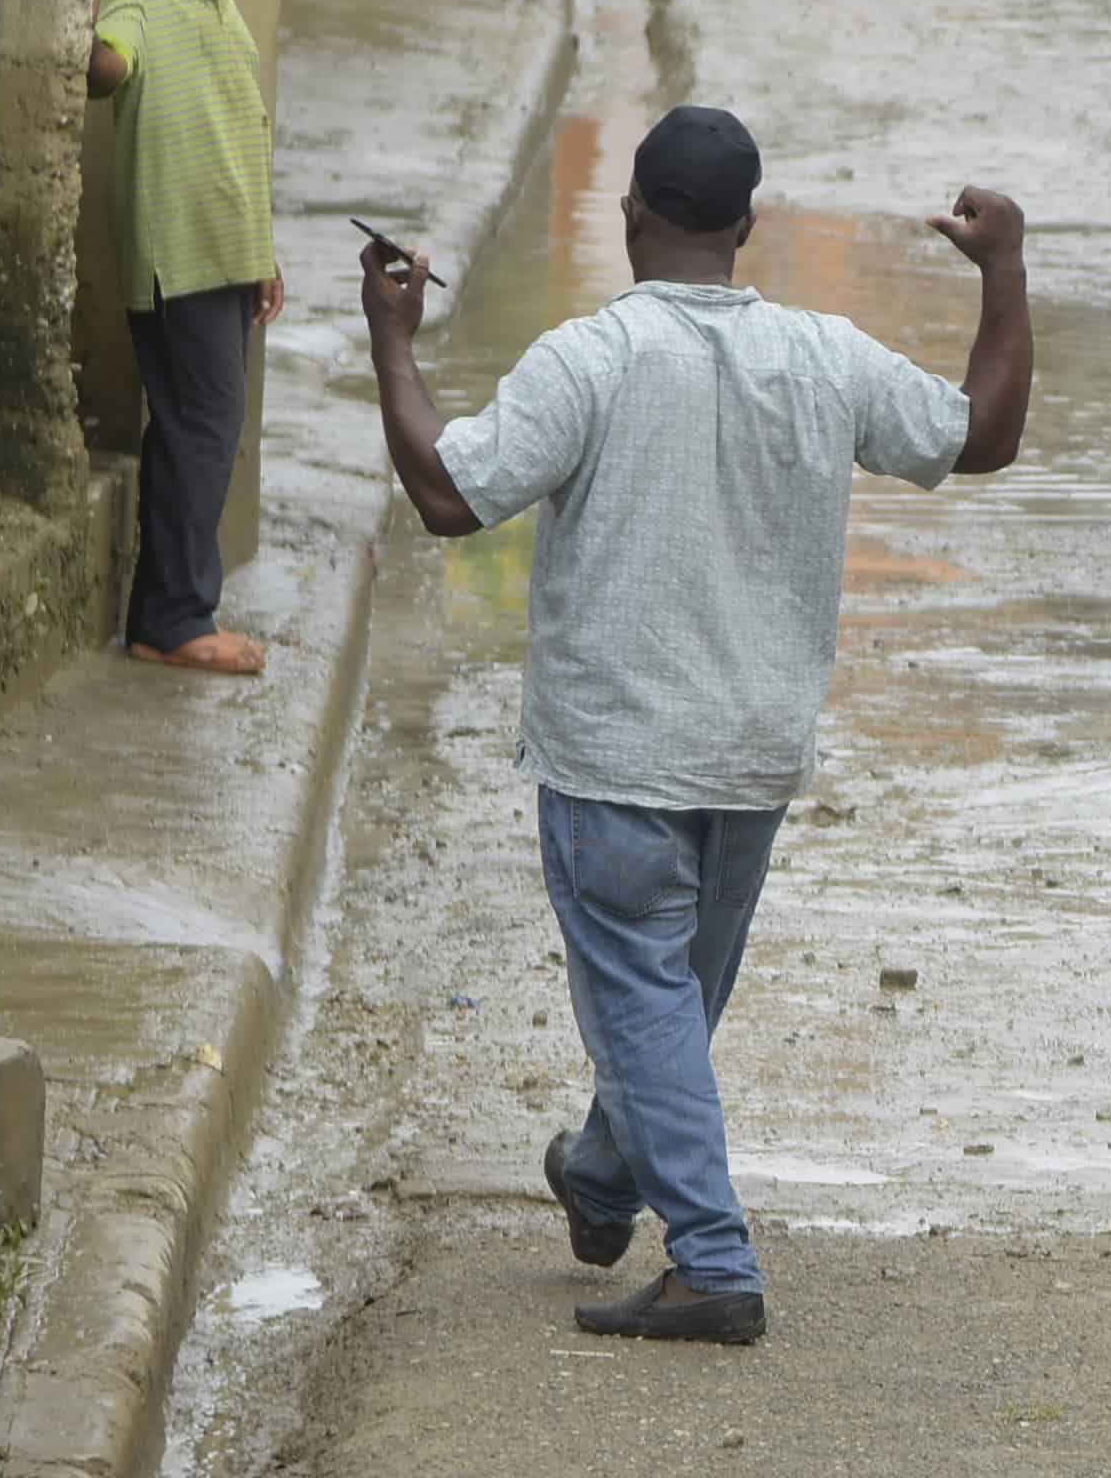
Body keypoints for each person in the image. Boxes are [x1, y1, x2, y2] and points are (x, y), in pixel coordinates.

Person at [354, 111, 1031, 1345]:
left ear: (630, 217)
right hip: (752, 752)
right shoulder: (823, 355)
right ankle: (607, 1173)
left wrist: (394, 344)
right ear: (746, 229)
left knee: (647, 1001)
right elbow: (980, 433)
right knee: (667, 1000)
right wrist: (1003, 271)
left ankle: (713, 1259)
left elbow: (449, 494)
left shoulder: (591, 358)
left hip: (617, 756)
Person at [86, 0, 281, 677]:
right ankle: (177, 619)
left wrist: (262, 255)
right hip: (181, 258)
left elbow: (236, 123)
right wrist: (96, 61)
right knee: (202, 433)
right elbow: (110, 55)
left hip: (226, 255)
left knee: (195, 433)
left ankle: (162, 615)